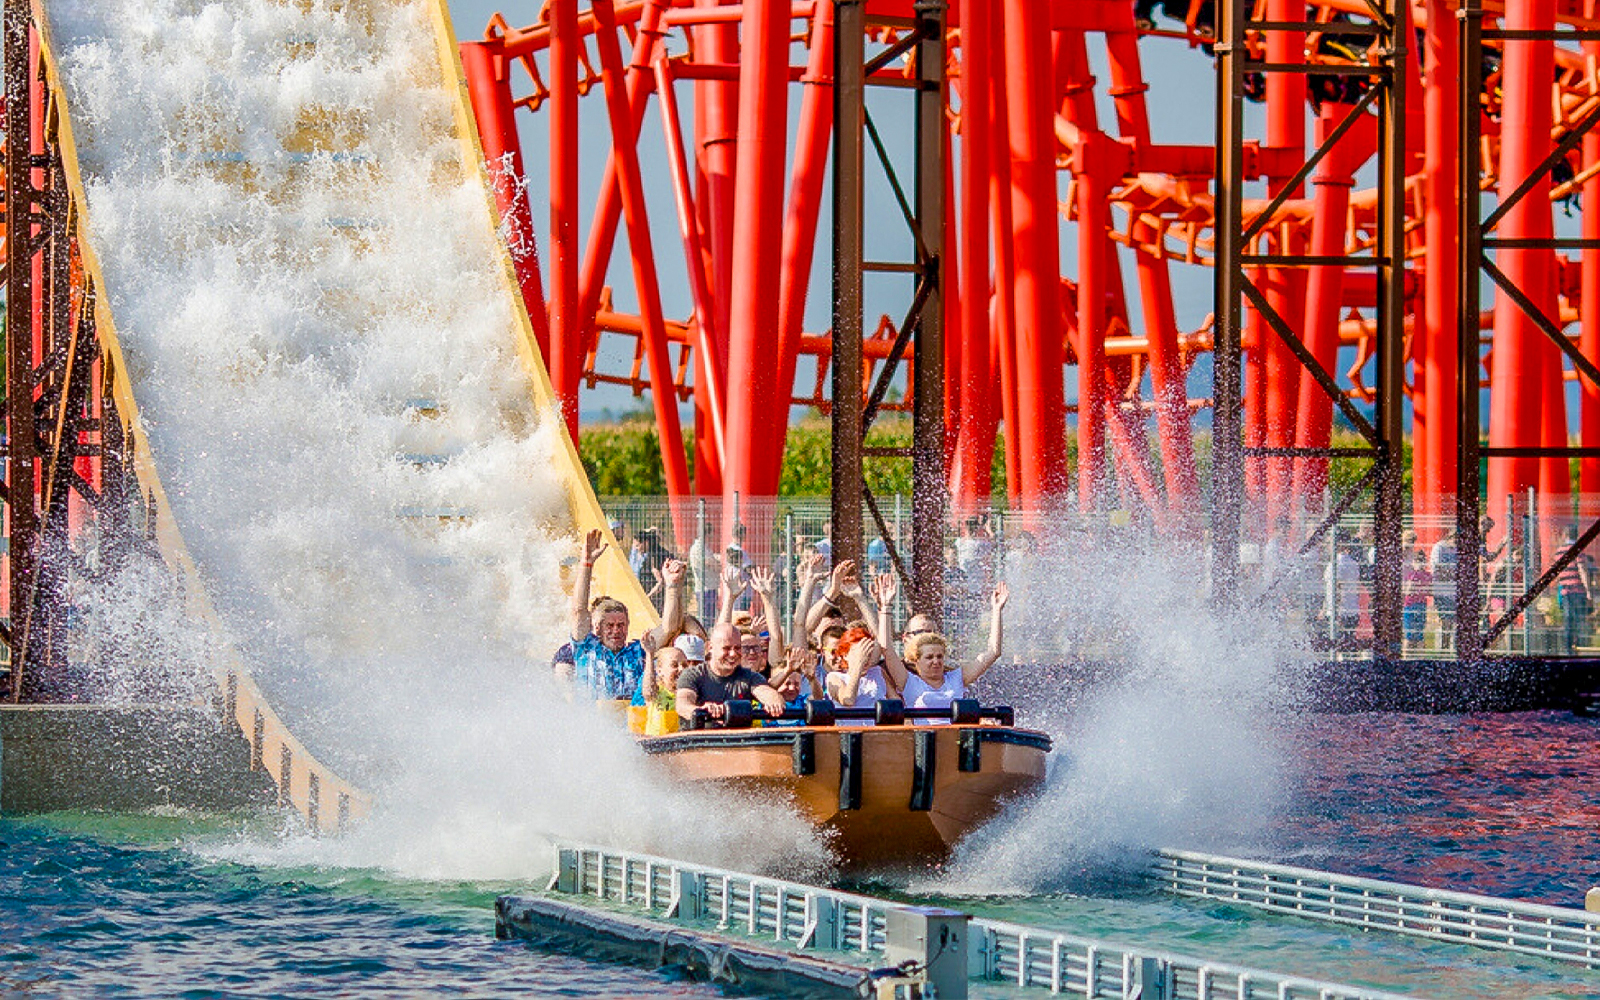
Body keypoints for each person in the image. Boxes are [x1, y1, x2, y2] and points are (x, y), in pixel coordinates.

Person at [564, 529, 684, 702]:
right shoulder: (587, 648)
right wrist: (586, 564)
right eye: (610, 626)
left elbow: (668, 628)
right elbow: (578, 611)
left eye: (621, 625)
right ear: (598, 627)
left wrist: (672, 586)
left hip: (630, 723)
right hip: (592, 721)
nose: (616, 630)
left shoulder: (637, 651)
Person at [676, 623, 786, 723]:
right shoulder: (692, 675)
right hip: (700, 742)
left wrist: (774, 703)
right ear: (710, 647)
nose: (733, 654)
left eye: (737, 648)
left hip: (738, 742)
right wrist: (701, 711)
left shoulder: (749, 677)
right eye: (726, 648)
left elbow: (766, 692)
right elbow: (683, 704)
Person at [825, 625, 901, 719]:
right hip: (849, 731)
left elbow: (897, 702)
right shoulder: (834, 677)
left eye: (868, 654)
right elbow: (848, 700)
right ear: (845, 655)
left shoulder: (878, 672)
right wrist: (858, 665)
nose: (865, 659)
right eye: (860, 654)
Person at [1401, 549, 1432, 649]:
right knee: (1419, 635)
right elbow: (1430, 592)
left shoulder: (1413, 575)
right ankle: (1420, 659)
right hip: (1422, 605)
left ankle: (1405, 659)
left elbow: (1409, 591)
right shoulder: (1428, 576)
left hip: (1410, 606)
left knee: (1408, 636)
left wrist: (1404, 589)